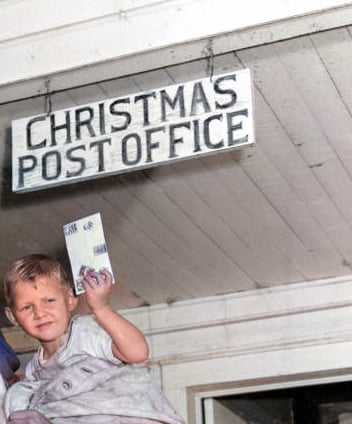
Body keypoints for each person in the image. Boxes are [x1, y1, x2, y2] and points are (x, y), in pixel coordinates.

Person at [3, 254, 184, 424]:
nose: (40, 313)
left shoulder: (85, 332)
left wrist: (101, 308)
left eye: (49, 301)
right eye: (27, 307)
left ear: (70, 300)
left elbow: (137, 353)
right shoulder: (34, 370)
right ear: (13, 317)